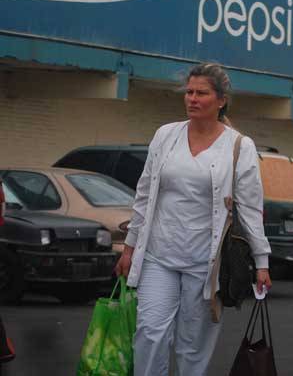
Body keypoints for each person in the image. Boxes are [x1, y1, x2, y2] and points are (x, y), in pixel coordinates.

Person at [114, 62, 272, 376]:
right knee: (149, 333)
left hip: (205, 262)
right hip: (159, 255)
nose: (192, 99)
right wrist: (130, 247)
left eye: (201, 93)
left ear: (221, 100)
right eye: (189, 92)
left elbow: (252, 209)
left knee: (192, 344)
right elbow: (145, 193)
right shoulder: (165, 135)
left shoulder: (239, 146)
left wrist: (262, 262)